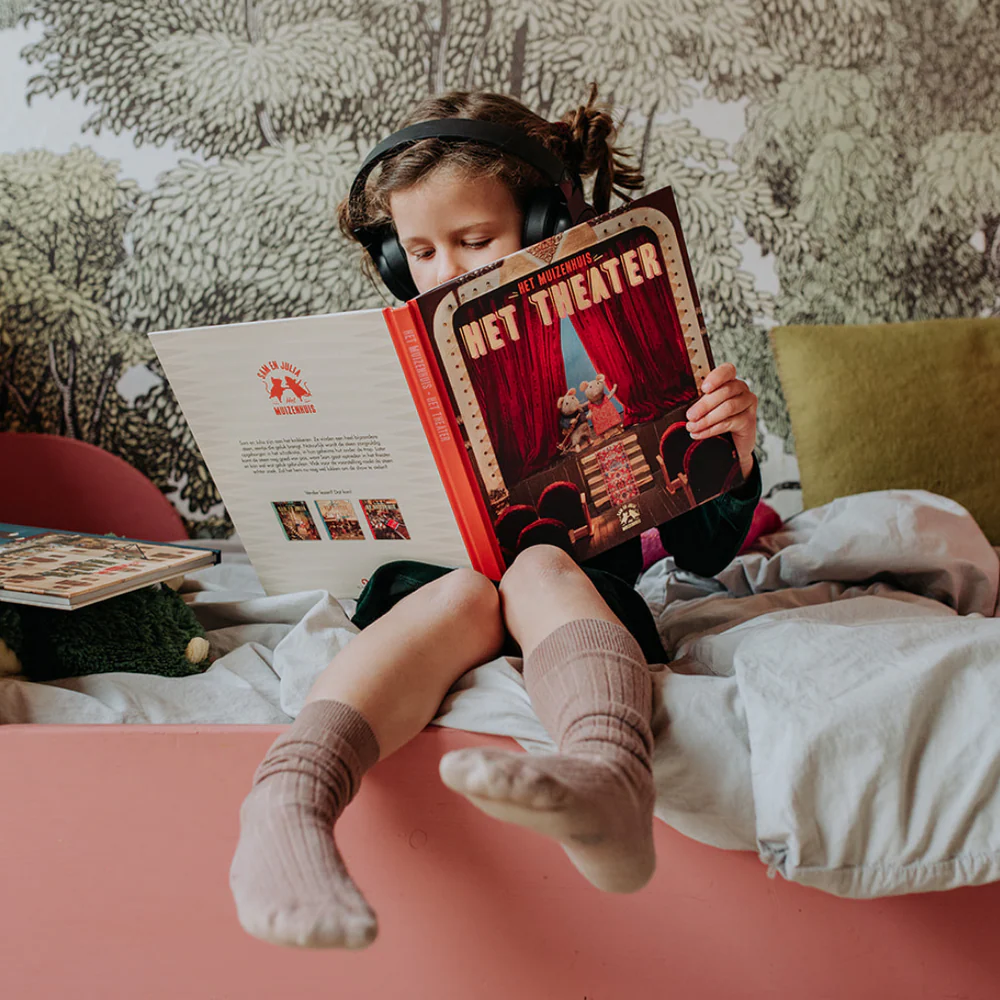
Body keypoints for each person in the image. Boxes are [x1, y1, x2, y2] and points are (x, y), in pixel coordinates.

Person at [228, 87, 761, 950]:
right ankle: (287, 803)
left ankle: (606, 776)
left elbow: (700, 550)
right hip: (433, 595)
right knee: (462, 594)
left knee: (538, 567)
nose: (447, 270)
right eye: (420, 252)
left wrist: (729, 452)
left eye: (475, 241)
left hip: (572, 596)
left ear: (547, 224)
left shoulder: (613, 343)